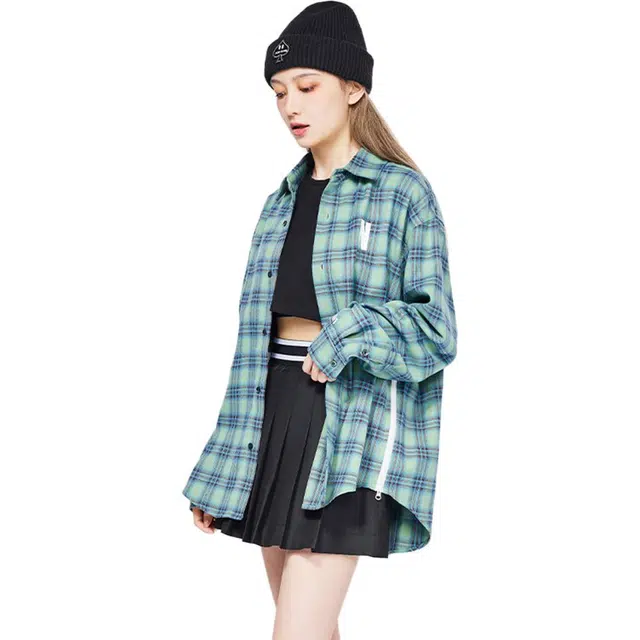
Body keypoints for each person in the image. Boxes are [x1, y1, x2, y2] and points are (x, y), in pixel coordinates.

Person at [182, 2, 458, 638]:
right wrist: (221, 467)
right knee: (310, 629)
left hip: (350, 422)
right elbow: (250, 355)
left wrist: (347, 332)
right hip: (272, 416)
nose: (290, 106)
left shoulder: (402, 193)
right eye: (280, 92)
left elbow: (436, 330)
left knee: (297, 631)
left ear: (353, 87)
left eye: (307, 87)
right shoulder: (277, 204)